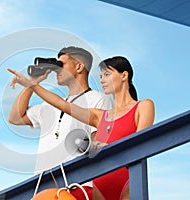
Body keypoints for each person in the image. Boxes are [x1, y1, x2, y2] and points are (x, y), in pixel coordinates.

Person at [8, 56, 155, 200]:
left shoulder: (143, 106)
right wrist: (32, 84)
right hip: (99, 182)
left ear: (124, 75)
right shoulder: (99, 116)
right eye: (101, 75)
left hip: (126, 179)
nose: (102, 80)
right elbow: (63, 105)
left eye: (107, 74)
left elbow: (139, 146)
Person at [8, 47, 113, 199]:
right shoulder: (50, 104)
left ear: (79, 67)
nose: (56, 69)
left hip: (78, 186)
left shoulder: (99, 99)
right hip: (43, 190)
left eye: (61, 64)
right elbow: (15, 118)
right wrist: (33, 82)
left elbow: (100, 141)